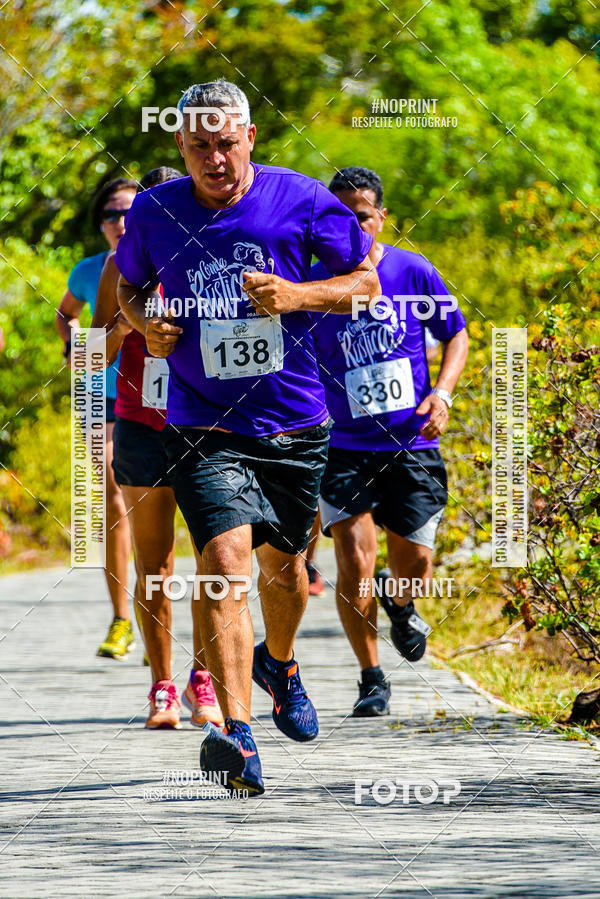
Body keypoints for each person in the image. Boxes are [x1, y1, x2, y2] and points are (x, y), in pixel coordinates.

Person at [115, 79, 380, 795]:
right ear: (180, 145)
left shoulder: (300, 198)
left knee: (285, 571)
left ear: (250, 138)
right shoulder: (155, 210)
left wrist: (299, 295)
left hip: (294, 421)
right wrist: (145, 323)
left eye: (227, 142)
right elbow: (129, 288)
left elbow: (365, 283)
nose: (214, 158)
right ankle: (237, 733)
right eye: (198, 145)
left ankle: (281, 662)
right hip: (203, 423)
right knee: (225, 563)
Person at [310, 166, 468, 717]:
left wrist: (442, 395)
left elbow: (456, 334)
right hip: (343, 446)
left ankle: (401, 603)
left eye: (361, 216)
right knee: (353, 563)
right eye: (339, 216)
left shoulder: (412, 270)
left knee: (416, 562)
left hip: (411, 443)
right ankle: (371, 677)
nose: (351, 226)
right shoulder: (312, 283)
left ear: (381, 218)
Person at [91, 166, 223, 731]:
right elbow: (88, 357)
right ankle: (162, 687)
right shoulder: (119, 266)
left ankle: (204, 681)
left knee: (213, 563)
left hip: (207, 426)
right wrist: (127, 327)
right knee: (155, 566)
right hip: (141, 424)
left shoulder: (217, 255)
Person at [56, 178, 137, 659]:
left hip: (159, 398)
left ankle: (156, 620)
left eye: (129, 211)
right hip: (100, 395)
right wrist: (73, 343)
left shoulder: (167, 258)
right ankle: (121, 619)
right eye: (111, 214)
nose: (120, 222)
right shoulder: (90, 270)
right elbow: (66, 313)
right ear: (101, 223)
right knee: (109, 496)